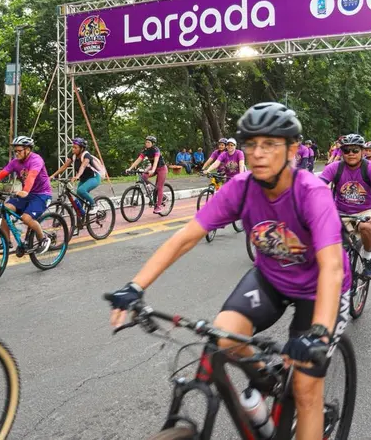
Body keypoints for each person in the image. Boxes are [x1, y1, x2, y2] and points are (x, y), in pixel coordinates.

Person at [106, 102, 350, 440]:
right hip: (271, 278)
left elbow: (332, 268)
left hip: (318, 289)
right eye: (251, 145)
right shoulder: (242, 187)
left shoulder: (312, 193)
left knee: (307, 389)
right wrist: (134, 287)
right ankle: (268, 377)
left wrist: (319, 332)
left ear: (292, 149)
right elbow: (184, 238)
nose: (258, 154)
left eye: (270, 144)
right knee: (222, 335)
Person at [320, 133, 371, 280]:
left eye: (355, 150)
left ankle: (368, 259)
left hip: (365, 210)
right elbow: (317, 187)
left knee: (367, 227)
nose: (350, 154)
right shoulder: (334, 168)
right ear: (341, 152)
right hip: (340, 211)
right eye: (346, 150)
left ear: (363, 151)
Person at [0, 136, 52, 254]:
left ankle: (43, 238)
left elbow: (31, 176)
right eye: (15, 151)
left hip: (42, 194)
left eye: (19, 151)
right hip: (26, 194)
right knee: (5, 209)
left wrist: (25, 190)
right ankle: (7, 242)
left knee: (26, 218)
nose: (16, 153)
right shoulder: (15, 162)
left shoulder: (36, 160)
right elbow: (1, 174)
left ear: (28, 150)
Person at [50, 138, 103, 211]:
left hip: (94, 178)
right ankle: (81, 219)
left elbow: (83, 166)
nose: (73, 149)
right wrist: (53, 175)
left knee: (81, 190)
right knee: (78, 203)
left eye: (75, 147)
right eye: (73, 147)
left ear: (81, 148)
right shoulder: (73, 156)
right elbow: (64, 166)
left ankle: (94, 204)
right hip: (83, 179)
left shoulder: (86, 155)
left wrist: (77, 176)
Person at [126, 135, 168, 215]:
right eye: (146, 142)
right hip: (153, 168)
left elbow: (156, 161)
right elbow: (138, 159)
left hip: (161, 168)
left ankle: (158, 206)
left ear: (153, 143)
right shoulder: (146, 150)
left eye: (148, 142)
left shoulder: (156, 150)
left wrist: (152, 170)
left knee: (159, 187)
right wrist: (130, 168)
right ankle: (150, 189)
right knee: (143, 176)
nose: (147, 144)